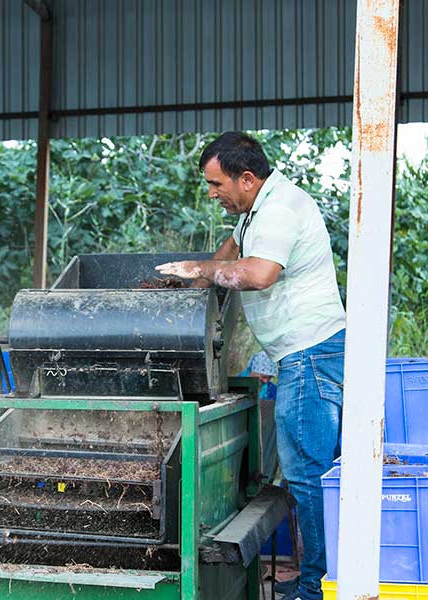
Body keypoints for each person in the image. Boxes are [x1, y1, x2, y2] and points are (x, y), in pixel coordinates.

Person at [157, 131, 346, 600]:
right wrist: (187, 287)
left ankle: (317, 589)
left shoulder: (279, 210)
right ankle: (320, 583)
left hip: (309, 355)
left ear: (246, 178)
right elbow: (229, 252)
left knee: (307, 477)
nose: (211, 193)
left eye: (216, 184)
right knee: (307, 477)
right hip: (303, 356)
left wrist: (199, 271)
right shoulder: (255, 212)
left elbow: (259, 274)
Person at [239, 351, 279, 481]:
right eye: (262, 376)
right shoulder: (236, 385)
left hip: (265, 443)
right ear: (253, 369)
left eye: (269, 377)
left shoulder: (274, 391)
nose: (265, 380)